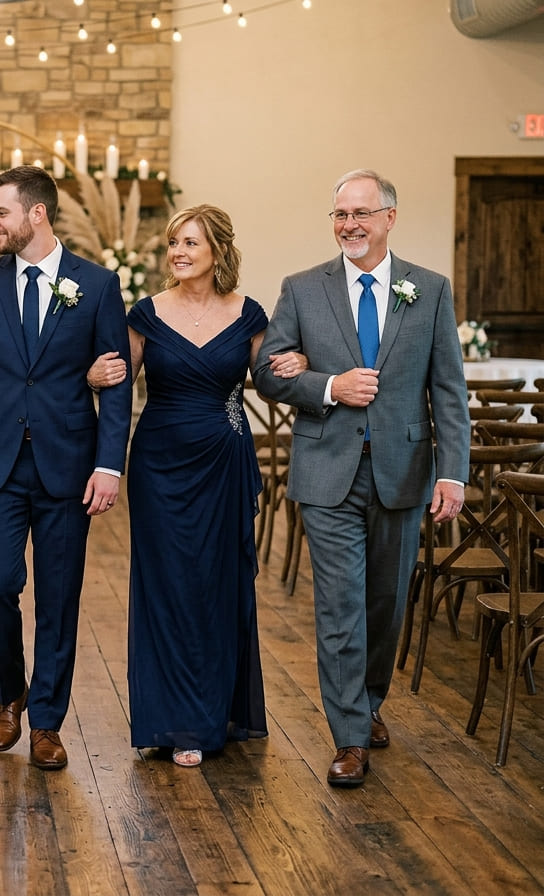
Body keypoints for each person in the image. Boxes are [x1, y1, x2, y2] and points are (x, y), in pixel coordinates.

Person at [253, 169, 469, 787]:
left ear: (389, 218)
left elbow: (448, 391)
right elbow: (268, 374)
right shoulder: (302, 288)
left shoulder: (427, 290)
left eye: (361, 214)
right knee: (342, 605)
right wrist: (326, 385)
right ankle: (349, 736)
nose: (350, 225)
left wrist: (452, 473)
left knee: (386, 604)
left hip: (404, 471)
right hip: (327, 472)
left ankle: (370, 700)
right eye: (340, 215)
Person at [0, 166, 134, 771]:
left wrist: (108, 465)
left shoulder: (97, 285)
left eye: (0, 212)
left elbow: (116, 383)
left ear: (36, 213)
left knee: (60, 598)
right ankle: (10, 693)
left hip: (69, 464)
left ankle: (46, 721)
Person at [92, 205, 306, 767]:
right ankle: (172, 719)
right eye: (174, 244)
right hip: (160, 465)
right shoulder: (145, 314)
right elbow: (117, 386)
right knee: (167, 586)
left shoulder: (248, 313)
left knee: (216, 585)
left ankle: (212, 711)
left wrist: (295, 367)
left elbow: (267, 382)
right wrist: (92, 378)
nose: (179, 253)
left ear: (218, 251)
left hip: (223, 461)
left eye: (191, 243)